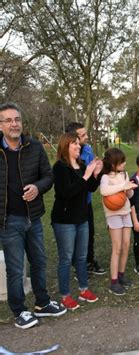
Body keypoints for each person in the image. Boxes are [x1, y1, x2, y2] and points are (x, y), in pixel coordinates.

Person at [0, 102, 66, 329]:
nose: (13, 124)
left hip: (33, 217)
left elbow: (48, 176)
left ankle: (43, 303)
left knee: (39, 261)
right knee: (16, 269)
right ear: (1, 125)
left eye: (16, 119)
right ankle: (19, 311)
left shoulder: (34, 146)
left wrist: (38, 187)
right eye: (8, 120)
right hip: (8, 222)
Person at [51, 133, 102, 310]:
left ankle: (83, 289)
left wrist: (96, 174)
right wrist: (86, 176)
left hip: (82, 218)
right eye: (75, 144)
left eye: (79, 144)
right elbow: (67, 192)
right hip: (65, 220)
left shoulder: (81, 165)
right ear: (66, 146)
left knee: (81, 257)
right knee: (66, 258)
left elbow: (90, 189)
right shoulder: (59, 167)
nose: (79, 147)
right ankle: (65, 296)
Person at [65, 122, 106, 275]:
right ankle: (77, 265)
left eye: (85, 134)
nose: (87, 137)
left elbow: (91, 182)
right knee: (75, 236)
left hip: (86, 201)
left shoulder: (88, 149)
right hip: (73, 205)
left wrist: (98, 171)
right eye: (82, 135)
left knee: (90, 232)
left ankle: (89, 261)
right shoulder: (68, 159)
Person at [100, 148, 137, 295]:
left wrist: (129, 190)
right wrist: (123, 186)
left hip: (125, 212)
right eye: (121, 162)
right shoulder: (105, 177)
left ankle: (121, 275)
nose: (124, 163)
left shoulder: (125, 174)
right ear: (113, 163)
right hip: (113, 214)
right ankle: (114, 281)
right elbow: (104, 191)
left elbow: (129, 194)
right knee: (117, 247)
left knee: (126, 245)